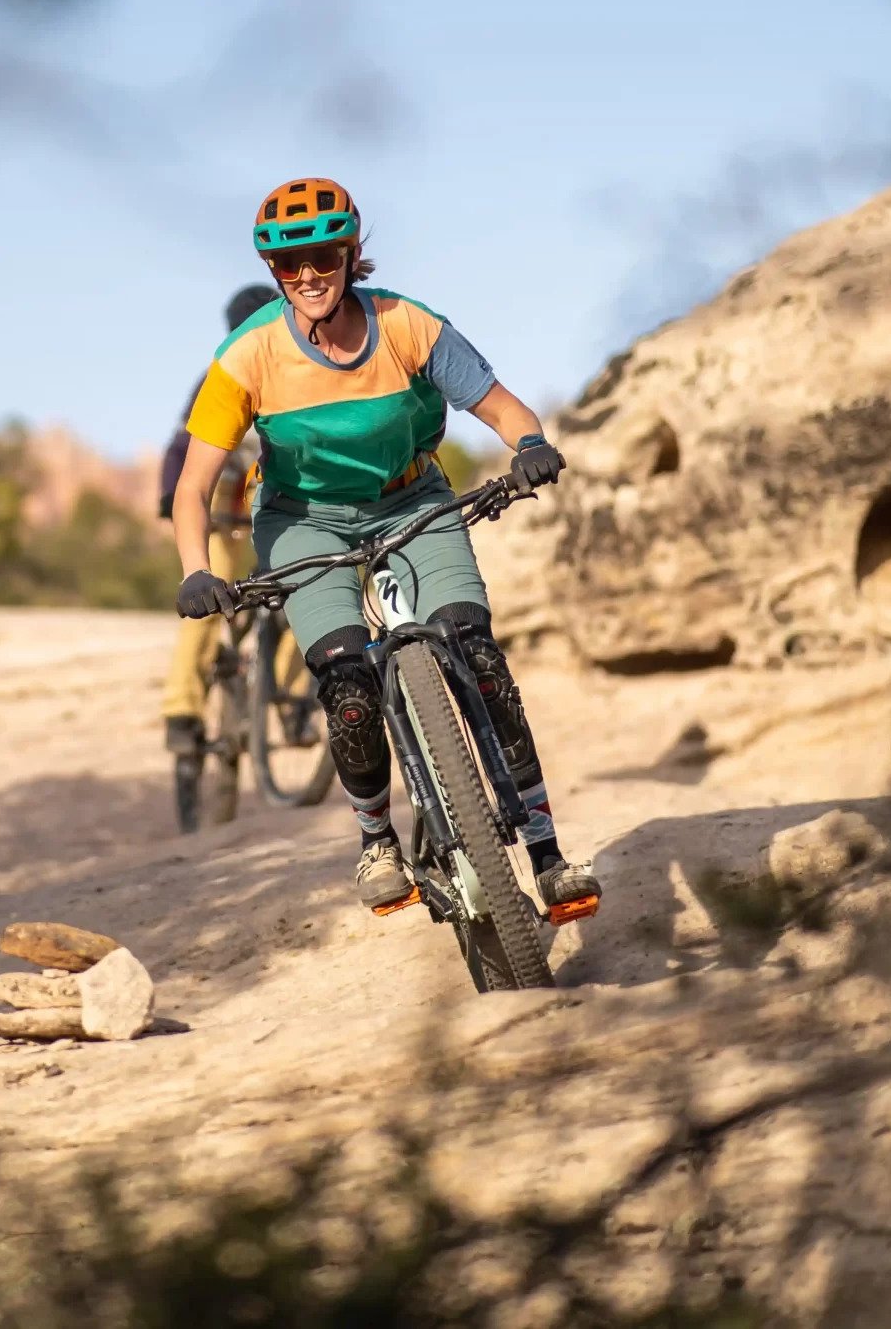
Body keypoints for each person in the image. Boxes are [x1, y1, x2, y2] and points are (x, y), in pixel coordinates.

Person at [166, 178, 601, 914]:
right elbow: (192, 485)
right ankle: (376, 838)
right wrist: (195, 569)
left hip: (412, 497)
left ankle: (548, 853)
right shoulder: (247, 355)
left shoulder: (408, 325)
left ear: (350, 252)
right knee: (345, 680)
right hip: (304, 517)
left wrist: (528, 443)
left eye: (323, 255)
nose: (308, 275)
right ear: (275, 272)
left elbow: (500, 405)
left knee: (478, 651)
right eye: (289, 263)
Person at [156, 283, 305, 832]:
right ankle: (182, 710)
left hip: (267, 503)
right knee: (206, 593)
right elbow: (181, 450)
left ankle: (289, 696)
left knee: (294, 592)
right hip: (221, 510)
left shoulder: (295, 371)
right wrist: (171, 498)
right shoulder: (220, 377)